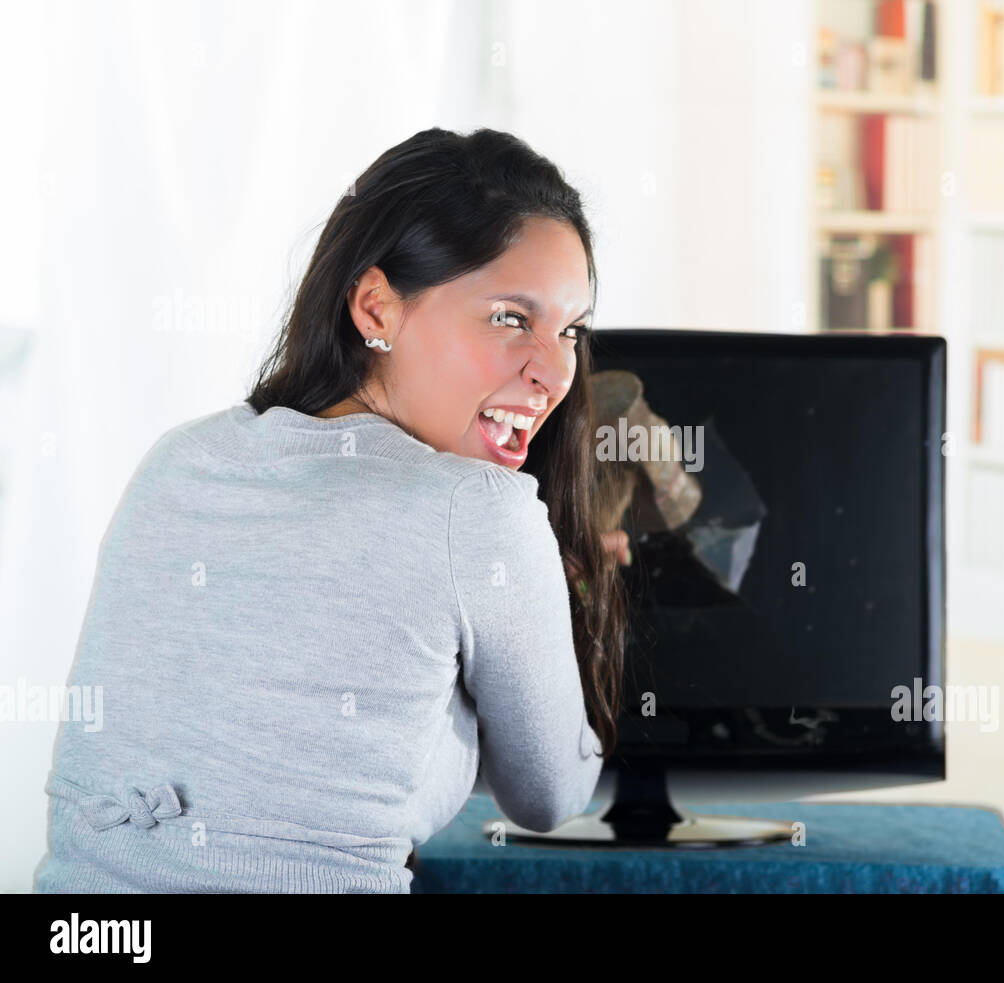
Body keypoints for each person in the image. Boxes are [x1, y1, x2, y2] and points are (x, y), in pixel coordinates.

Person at [33, 127, 629, 893]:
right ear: (376, 306)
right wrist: (558, 602)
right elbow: (550, 796)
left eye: (571, 330)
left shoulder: (177, 459)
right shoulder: (480, 515)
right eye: (511, 317)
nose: (553, 372)